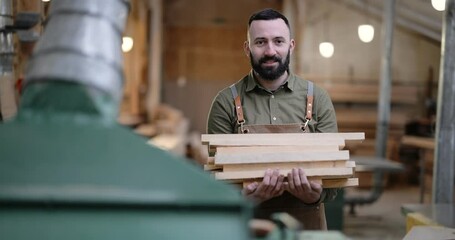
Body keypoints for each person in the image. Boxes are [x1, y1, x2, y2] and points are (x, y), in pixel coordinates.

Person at [206, 8, 338, 230]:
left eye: (278, 41)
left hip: (306, 230)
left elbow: (334, 181)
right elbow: (218, 184)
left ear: (291, 46)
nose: (270, 51)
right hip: (248, 228)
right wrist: (249, 198)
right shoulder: (225, 103)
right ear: (247, 48)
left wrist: (313, 196)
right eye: (260, 42)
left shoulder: (318, 100)